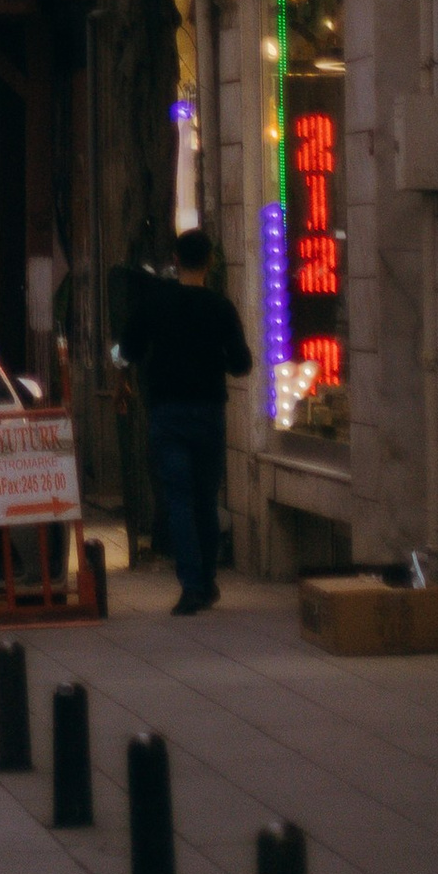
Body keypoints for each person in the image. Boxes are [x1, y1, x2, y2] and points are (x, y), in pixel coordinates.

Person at [119, 229, 250, 614]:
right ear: (210, 261)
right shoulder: (221, 308)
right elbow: (242, 364)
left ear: (175, 259)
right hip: (209, 410)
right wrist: (215, 362)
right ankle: (207, 581)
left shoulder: (154, 302)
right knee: (206, 498)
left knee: (179, 499)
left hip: (167, 411)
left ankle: (191, 584)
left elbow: (128, 348)